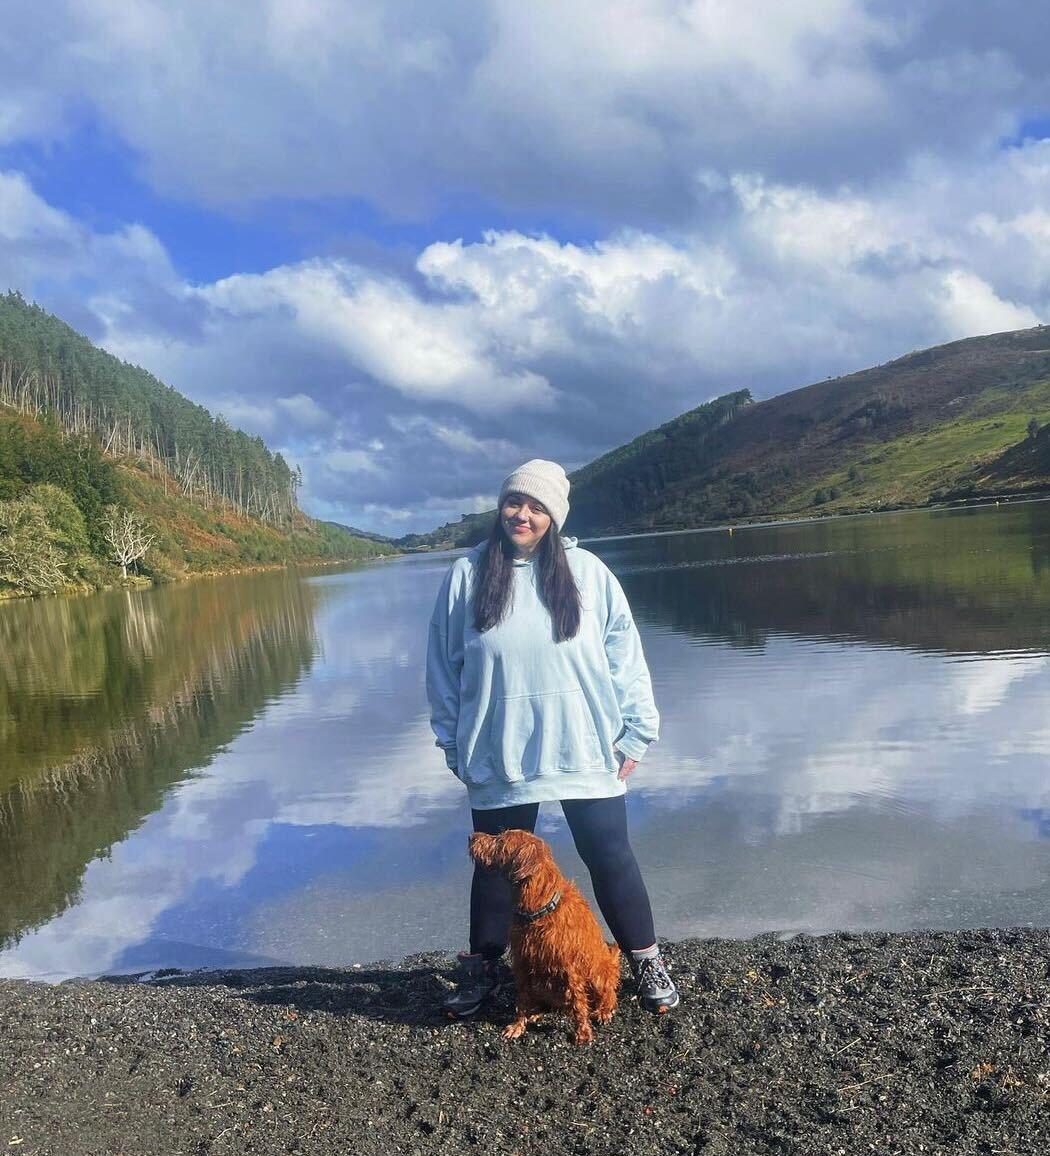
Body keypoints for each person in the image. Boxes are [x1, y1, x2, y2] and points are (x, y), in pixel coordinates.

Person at [426, 458, 679, 1018]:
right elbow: (443, 668)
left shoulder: (588, 573)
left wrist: (636, 731)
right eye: (515, 502)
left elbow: (624, 654)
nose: (523, 514)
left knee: (610, 855)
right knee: (495, 865)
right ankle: (481, 971)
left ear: (555, 517)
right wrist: (451, 741)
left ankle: (645, 959)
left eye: (537, 506)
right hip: (498, 748)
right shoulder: (468, 575)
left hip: (583, 744)